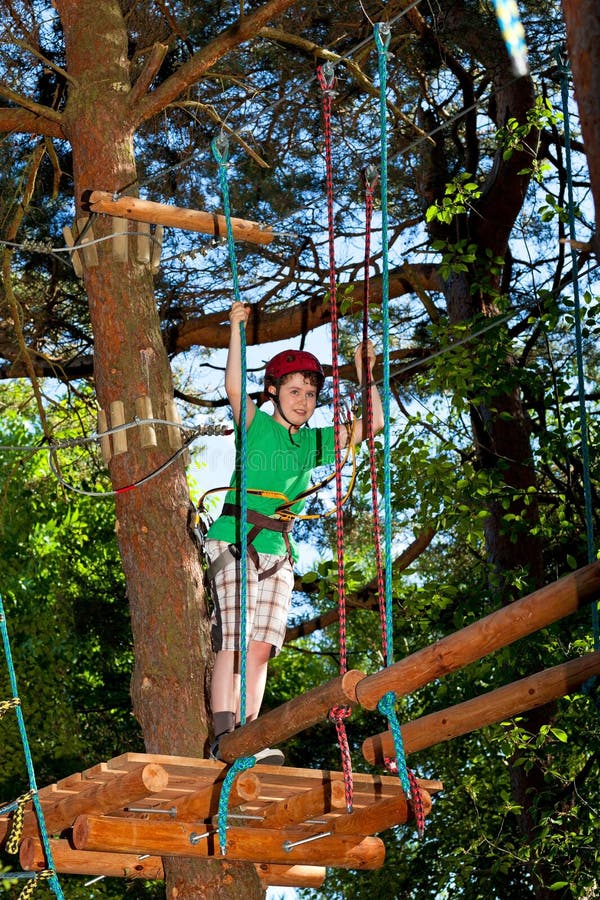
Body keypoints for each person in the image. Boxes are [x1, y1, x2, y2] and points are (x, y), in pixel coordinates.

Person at [205, 300, 384, 765]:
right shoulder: (256, 425)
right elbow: (231, 386)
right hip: (236, 537)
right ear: (273, 392)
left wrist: (367, 373)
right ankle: (224, 736)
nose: (303, 400)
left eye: (310, 393)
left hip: (278, 550)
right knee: (235, 638)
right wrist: (237, 331)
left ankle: (249, 734)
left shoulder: (313, 442)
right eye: (294, 391)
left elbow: (374, 423)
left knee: (261, 650)